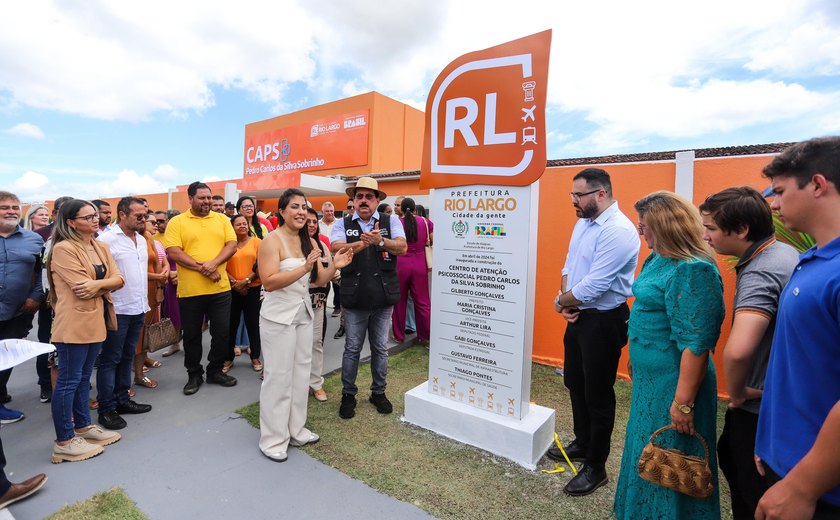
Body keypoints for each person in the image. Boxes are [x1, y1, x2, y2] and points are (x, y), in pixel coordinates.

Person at [613, 191, 725, 519]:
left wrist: (683, 402)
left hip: (677, 384)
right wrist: (636, 355)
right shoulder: (658, 258)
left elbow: (696, 343)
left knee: (673, 460)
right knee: (647, 450)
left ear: (665, 226)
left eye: (644, 226)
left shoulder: (694, 270)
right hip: (652, 379)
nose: (640, 232)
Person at [698, 187, 799, 519]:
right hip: (777, 398)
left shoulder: (760, 271)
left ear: (741, 230)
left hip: (757, 410)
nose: (706, 236)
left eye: (711, 228)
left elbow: (738, 351)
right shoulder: (783, 252)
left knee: (750, 490)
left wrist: (738, 392)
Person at [754, 137, 840, 519]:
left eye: (781, 192)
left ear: (818, 185)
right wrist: (771, 440)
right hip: (786, 459)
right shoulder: (812, 260)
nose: (773, 204)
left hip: (820, 488)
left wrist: (803, 486)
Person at [550, 168, 641, 496]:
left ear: (601, 194)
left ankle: (596, 467)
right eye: (572, 195)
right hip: (579, 317)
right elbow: (569, 266)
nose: (573, 201)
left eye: (579, 195)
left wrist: (561, 301)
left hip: (604, 321)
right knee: (574, 380)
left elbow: (597, 284)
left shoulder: (618, 230)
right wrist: (567, 302)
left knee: (598, 393)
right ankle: (583, 441)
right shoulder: (582, 224)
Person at [257, 188, 352, 462]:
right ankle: (273, 439)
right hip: (277, 318)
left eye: (304, 207)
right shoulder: (271, 241)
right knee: (278, 376)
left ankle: (296, 429)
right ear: (282, 211)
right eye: (295, 206)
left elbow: (319, 279)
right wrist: (302, 268)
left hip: (303, 314)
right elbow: (269, 282)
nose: (301, 212)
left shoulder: (308, 241)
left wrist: (336, 263)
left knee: (300, 373)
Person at [47, 199, 124, 463]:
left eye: (95, 215)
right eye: (88, 216)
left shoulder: (100, 245)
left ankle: (83, 426)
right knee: (68, 381)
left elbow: (119, 279)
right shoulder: (63, 249)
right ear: (70, 222)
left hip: (97, 320)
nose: (95, 219)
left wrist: (98, 285)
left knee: (81, 380)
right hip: (73, 324)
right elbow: (81, 286)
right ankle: (65, 441)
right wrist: (106, 284)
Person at [330, 177, 407, 419]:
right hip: (354, 297)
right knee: (352, 348)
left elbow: (402, 247)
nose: (364, 201)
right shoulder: (342, 222)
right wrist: (364, 243)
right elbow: (335, 247)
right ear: (353, 200)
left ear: (376, 201)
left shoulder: (390, 220)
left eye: (369, 197)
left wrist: (381, 241)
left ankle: (378, 392)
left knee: (380, 348)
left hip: (383, 297)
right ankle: (348, 395)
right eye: (360, 196)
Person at [163, 182, 237, 395]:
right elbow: (174, 252)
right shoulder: (177, 222)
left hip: (220, 289)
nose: (207, 202)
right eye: (202, 198)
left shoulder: (222, 219)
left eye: (209, 198)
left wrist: (213, 264)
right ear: (190, 199)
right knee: (192, 335)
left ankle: (215, 370)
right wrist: (204, 268)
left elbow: (231, 246)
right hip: (191, 292)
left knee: (221, 332)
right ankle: (194, 373)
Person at [96, 197, 154, 431]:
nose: (144, 219)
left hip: (138, 307)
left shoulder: (141, 239)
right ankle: (106, 408)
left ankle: (122, 399)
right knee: (110, 359)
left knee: (127, 357)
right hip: (117, 309)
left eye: (145, 215)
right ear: (122, 214)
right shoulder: (106, 240)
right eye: (138, 215)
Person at [0, 192, 44, 423]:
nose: (11, 211)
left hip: (19, 311)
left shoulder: (34, 240)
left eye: (15, 207)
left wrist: (35, 297)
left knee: (8, 356)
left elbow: (43, 272)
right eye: (4, 207)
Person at [132, 212, 169, 388]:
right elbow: (131, 271)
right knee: (135, 337)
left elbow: (160, 263)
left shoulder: (150, 239)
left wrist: (160, 285)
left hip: (151, 291)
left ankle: (139, 374)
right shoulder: (132, 239)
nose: (156, 225)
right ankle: (131, 375)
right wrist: (158, 277)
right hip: (136, 292)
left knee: (145, 333)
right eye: (152, 222)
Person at [225, 214, 262, 373]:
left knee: (253, 323)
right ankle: (228, 358)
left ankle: (255, 356)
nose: (242, 226)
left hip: (252, 288)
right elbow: (222, 266)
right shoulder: (227, 245)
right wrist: (235, 283)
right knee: (230, 325)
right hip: (232, 289)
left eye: (244, 223)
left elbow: (261, 264)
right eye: (238, 224)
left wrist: (246, 281)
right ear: (232, 227)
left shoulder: (257, 243)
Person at [391, 197, 432, 345]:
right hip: (420, 264)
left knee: (399, 301)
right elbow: (434, 238)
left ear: (401, 208)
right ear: (415, 208)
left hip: (401, 264)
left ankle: (398, 335)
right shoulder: (425, 222)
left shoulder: (397, 223)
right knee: (422, 302)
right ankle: (426, 336)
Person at [306, 207, 332, 402]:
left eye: (314, 221)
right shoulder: (290, 244)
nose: (312, 225)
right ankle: (297, 383)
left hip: (318, 302)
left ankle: (316, 383)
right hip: (294, 302)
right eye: (308, 221)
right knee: (295, 345)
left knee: (316, 342)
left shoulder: (323, 246)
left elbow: (332, 270)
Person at [159, 209, 182, 358]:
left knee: (189, 313)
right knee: (173, 313)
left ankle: (192, 343)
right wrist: (168, 274)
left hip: (186, 276)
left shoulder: (184, 236)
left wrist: (180, 274)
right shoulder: (160, 237)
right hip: (170, 280)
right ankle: (174, 344)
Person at [319, 202, 341, 318]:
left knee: (337, 283)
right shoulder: (317, 224)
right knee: (323, 282)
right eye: (327, 211)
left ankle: (337, 306)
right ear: (323, 211)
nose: (330, 213)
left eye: (331, 211)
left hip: (336, 256)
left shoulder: (339, 223)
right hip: (321, 258)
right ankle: (321, 304)